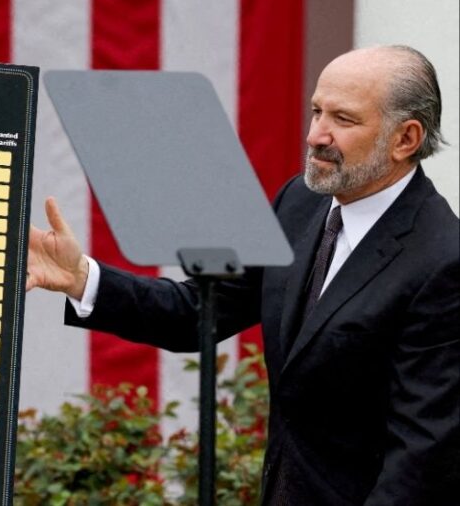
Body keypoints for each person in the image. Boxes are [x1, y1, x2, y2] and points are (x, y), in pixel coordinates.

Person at [27, 45, 459, 504]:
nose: (316, 135)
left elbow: (423, 460)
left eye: (344, 120)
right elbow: (199, 311)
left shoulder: (442, 261)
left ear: (406, 139)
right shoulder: (300, 202)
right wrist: (81, 277)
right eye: (316, 112)